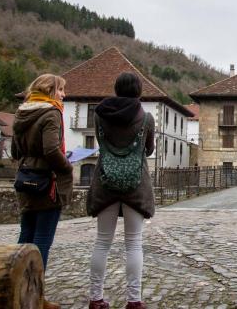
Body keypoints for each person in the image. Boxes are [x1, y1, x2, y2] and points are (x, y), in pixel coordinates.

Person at [87, 72, 155, 309]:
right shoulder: (146, 119)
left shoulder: (99, 116)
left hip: (105, 184)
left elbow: (102, 144)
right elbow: (148, 150)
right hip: (135, 186)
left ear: (116, 89)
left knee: (102, 242)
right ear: (138, 91)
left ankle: (96, 299)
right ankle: (134, 301)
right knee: (134, 244)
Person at [12, 74, 73, 309]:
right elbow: (51, 149)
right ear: (50, 90)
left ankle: (14, 290)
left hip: (26, 179)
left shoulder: (22, 112)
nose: (63, 95)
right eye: (61, 90)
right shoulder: (51, 112)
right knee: (42, 241)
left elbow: (16, 151)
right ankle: (35, 296)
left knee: (25, 236)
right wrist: (66, 164)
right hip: (47, 182)